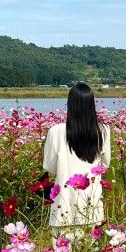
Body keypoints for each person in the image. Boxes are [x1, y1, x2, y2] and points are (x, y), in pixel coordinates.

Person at [42, 82, 111, 239]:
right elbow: (105, 164)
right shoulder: (103, 130)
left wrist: (64, 168)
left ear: (70, 105)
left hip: (63, 202)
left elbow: (49, 166)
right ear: (91, 105)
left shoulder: (55, 131)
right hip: (91, 203)